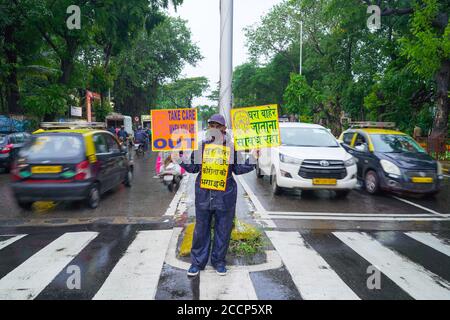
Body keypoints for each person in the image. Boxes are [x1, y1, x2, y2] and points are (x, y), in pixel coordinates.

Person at [172, 114, 258, 277]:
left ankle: (219, 262)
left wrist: (253, 157)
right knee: (201, 230)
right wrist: (179, 158)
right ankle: (197, 263)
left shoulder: (232, 148)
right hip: (204, 195)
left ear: (224, 129)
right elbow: (193, 168)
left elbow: (238, 169)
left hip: (226, 196)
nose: (214, 128)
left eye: (218, 126)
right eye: (211, 125)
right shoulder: (201, 146)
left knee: (223, 231)